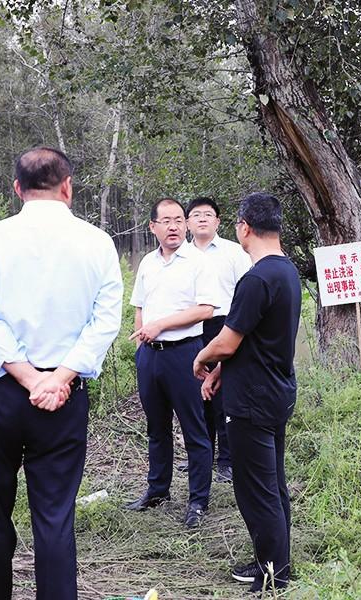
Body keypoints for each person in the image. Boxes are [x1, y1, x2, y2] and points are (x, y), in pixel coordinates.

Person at [0, 146, 123, 600]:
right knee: (54, 516)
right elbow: (104, 320)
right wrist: (58, 377)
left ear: (17, 189)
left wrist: (28, 377)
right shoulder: (97, 243)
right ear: (67, 187)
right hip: (62, 396)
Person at [193, 192, 301, 593]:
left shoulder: (255, 278)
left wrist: (203, 359)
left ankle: (274, 575)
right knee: (272, 483)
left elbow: (227, 340)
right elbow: (257, 339)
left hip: (252, 399)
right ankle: (273, 561)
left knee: (257, 490)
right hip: (275, 390)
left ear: (243, 227)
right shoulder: (286, 271)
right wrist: (222, 369)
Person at [124, 198, 220, 528]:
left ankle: (197, 501)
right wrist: (143, 338)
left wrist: (162, 324)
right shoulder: (148, 263)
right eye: (166, 221)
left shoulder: (197, 261)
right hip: (150, 355)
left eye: (179, 220)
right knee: (157, 427)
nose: (174, 226)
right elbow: (139, 305)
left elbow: (206, 309)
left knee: (195, 429)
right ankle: (157, 490)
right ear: (153, 227)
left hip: (185, 354)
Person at [183, 196, 252, 483]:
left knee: (224, 393)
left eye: (208, 214)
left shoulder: (234, 252)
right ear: (187, 222)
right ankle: (201, 455)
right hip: (190, 328)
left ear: (218, 221)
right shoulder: (179, 255)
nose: (202, 219)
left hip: (224, 326)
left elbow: (247, 292)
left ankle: (226, 460)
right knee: (196, 396)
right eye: (196, 214)